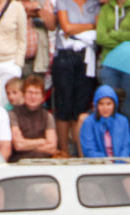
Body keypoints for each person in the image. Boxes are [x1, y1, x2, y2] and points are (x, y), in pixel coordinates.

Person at [52, 0, 98, 154]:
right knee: (64, 105)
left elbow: (98, 25)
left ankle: (80, 153)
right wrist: (90, 26)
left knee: (80, 106)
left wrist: (76, 29)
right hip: (65, 56)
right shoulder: (63, 2)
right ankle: (64, 152)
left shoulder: (95, 3)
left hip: (87, 56)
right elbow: (66, 27)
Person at [95, 0, 130, 141]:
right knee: (108, 108)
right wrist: (122, 37)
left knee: (128, 110)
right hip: (109, 63)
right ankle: (110, 149)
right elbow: (101, 37)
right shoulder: (105, 9)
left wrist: (113, 34)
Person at [9, 74, 56, 161]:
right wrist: (42, 141)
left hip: (43, 163)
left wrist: (27, 145)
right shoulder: (13, 114)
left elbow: (52, 147)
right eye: (30, 92)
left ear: (43, 97)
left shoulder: (47, 116)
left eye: (37, 93)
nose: (33, 97)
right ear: (23, 94)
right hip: (19, 162)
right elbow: (18, 145)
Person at [79, 84, 130, 158]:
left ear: (114, 105)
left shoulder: (123, 121)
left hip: (120, 165)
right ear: (96, 105)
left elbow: (126, 148)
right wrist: (107, 161)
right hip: (97, 165)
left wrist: (119, 163)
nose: (105, 108)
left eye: (108, 104)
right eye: (101, 104)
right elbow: (89, 150)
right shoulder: (88, 122)